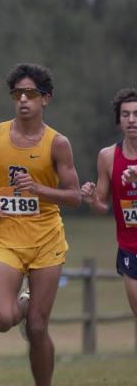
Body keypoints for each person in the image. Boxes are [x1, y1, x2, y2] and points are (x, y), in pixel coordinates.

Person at [0, 63, 81, 386]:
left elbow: (74, 196)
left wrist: (38, 189)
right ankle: (22, 301)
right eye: (17, 93)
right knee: (3, 319)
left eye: (30, 94)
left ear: (45, 99)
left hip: (46, 240)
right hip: (5, 238)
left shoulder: (57, 143)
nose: (22, 99)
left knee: (36, 327)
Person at [81, 87, 137, 317]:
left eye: (136, 113)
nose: (132, 120)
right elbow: (102, 207)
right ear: (118, 121)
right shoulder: (108, 157)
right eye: (125, 114)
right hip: (130, 250)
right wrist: (92, 199)